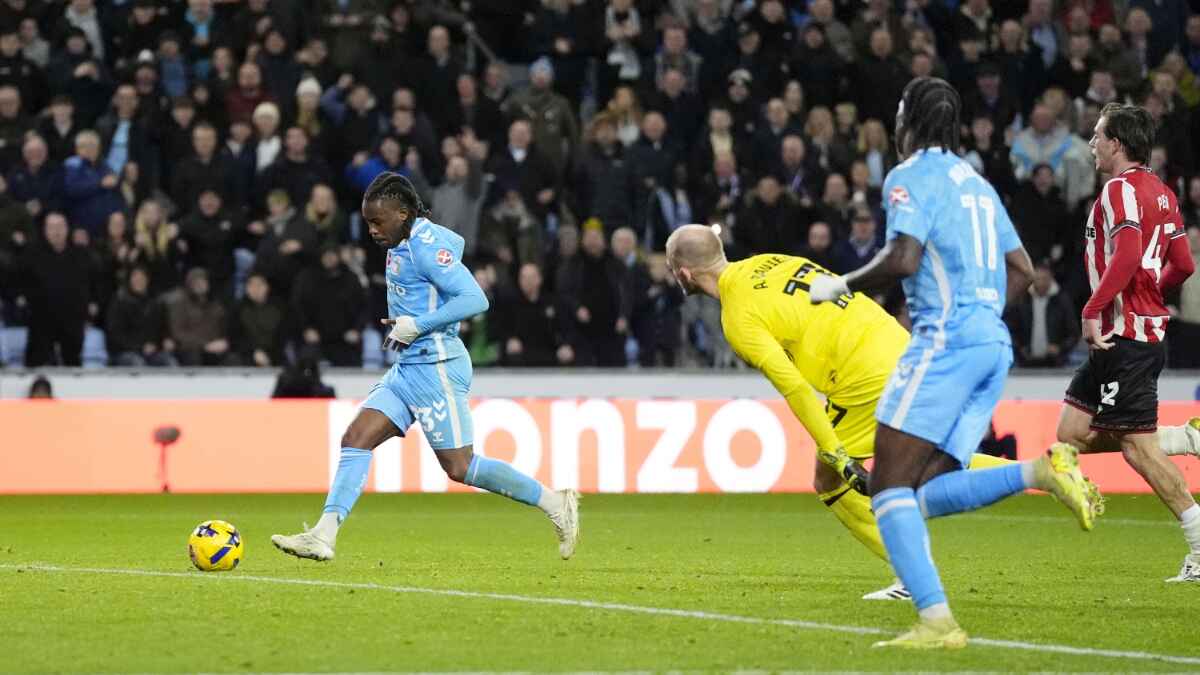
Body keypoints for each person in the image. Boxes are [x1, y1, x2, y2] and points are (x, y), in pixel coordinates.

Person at [807, 77, 1098, 648]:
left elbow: (903, 256)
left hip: (945, 344)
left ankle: (935, 620)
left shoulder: (909, 176)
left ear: (907, 120)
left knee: (885, 487)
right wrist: (980, 311)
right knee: (921, 491)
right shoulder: (978, 184)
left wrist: (840, 283)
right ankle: (1041, 472)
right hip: (992, 346)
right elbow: (1024, 272)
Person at [664, 222, 1060, 601]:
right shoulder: (768, 260)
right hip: (891, 340)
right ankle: (1040, 472)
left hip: (862, 376)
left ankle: (914, 568)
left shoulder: (737, 316)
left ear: (684, 273)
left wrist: (836, 452)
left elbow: (795, 388)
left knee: (836, 479)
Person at [272, 172, 579, 562]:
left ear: (402, 214)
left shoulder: (426, 247)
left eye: (377, 222)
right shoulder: (406, 238)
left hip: (437, 367)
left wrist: (418, 324)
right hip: (408, 366)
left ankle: (555, 503)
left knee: (461, 466)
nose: (371, 230)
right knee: (356, 439)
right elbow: (445, 264)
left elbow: (475, 298)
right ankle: (324, 535)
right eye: (368, 222)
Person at [1056, 102, 1200, 584]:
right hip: (1126, 334)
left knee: (1137, 449)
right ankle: (1184, 439)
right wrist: (1152, 289)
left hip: (1127, 337)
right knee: (1071, 433)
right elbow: (1183, 264)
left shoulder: (1119, 189)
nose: (1093, 143)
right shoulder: (1162, 192)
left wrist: (1095, 307)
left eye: (1098, 135)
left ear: (1117, 143)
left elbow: (1130, 251)